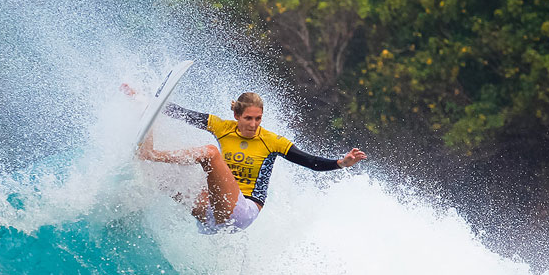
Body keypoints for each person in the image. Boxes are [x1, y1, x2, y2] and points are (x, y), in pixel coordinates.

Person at [124, 86, 367, 233]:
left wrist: (340, 163)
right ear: (236, 115)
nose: (253, 124)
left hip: (243, 212)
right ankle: (134, 183)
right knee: (165, 179)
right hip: (212, 215)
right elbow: (181, 114)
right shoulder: (222, 127)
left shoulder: (272, 141)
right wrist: (147, 102)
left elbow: (310, 162)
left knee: (210, 153)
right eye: (248, 118)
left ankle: (151, 154)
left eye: (258, 119)